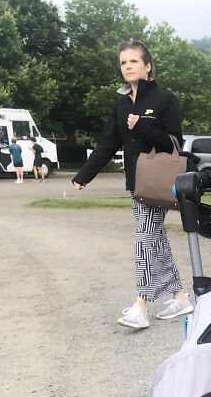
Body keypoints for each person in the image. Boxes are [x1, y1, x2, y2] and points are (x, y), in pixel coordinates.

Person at [72, 39, 192, 331]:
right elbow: (107, 144)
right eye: (123, 63)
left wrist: (141, 125)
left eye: (133, 61)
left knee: (144, 240)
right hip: (135, 184)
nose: (127, 67)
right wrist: (83, 176)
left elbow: (173, 142)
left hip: (158, 183)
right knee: (154, 240)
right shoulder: (122, 103)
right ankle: (180, 296)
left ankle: (141, 305)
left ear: (147, 66)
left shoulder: (165, 99)